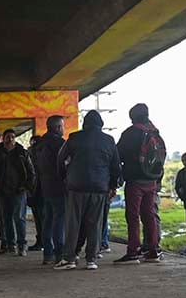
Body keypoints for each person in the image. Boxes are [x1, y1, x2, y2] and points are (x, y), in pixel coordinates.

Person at [56, 110, 121, 270]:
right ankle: (91, 260)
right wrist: (112, 186)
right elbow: (116, 167)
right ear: (101, 124)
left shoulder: (74, 137)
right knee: (95, 224)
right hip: (99, 188)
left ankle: (69, 258)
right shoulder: (109, 140)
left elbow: (60, 159)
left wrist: (64, 178)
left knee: (73, 223)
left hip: (77, 187)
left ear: (85, 123)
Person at [115, 103, 166, 264]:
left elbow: (118, 155)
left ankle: (133, 251)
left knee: (133, 216)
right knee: (149, 214)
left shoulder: (130, 133)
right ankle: (153, 250)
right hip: (151, 180)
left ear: (133, 117)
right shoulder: (155, 132)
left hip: (135, 181)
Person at [0, 129, 36, 256]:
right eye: (8, 137)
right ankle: (10, 245)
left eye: (13, 137)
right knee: (6, 219)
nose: (10, 139)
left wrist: (27, 187)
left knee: (19, 218)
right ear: (3, 138)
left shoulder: (22, 152)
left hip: (18, 191)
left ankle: (22, 245)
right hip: (2, 191)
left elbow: (31, 172)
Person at [34, 115, 68, 265]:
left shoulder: (39, 144)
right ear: (58, 127)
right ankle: (59, 253)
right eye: (62, 126)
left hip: (44, 186)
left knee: (47, 220)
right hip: (58, 186)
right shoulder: (59, 143)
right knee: (59, 220)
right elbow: (66, 164)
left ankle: (48, 253)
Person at [26, 135, 46, 251]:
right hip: (43, 190)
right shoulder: (43, 154)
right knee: (43, 218)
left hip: (34, 190)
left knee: (39, 219)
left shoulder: (30, 154)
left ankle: (41, 241)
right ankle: (43, 241)